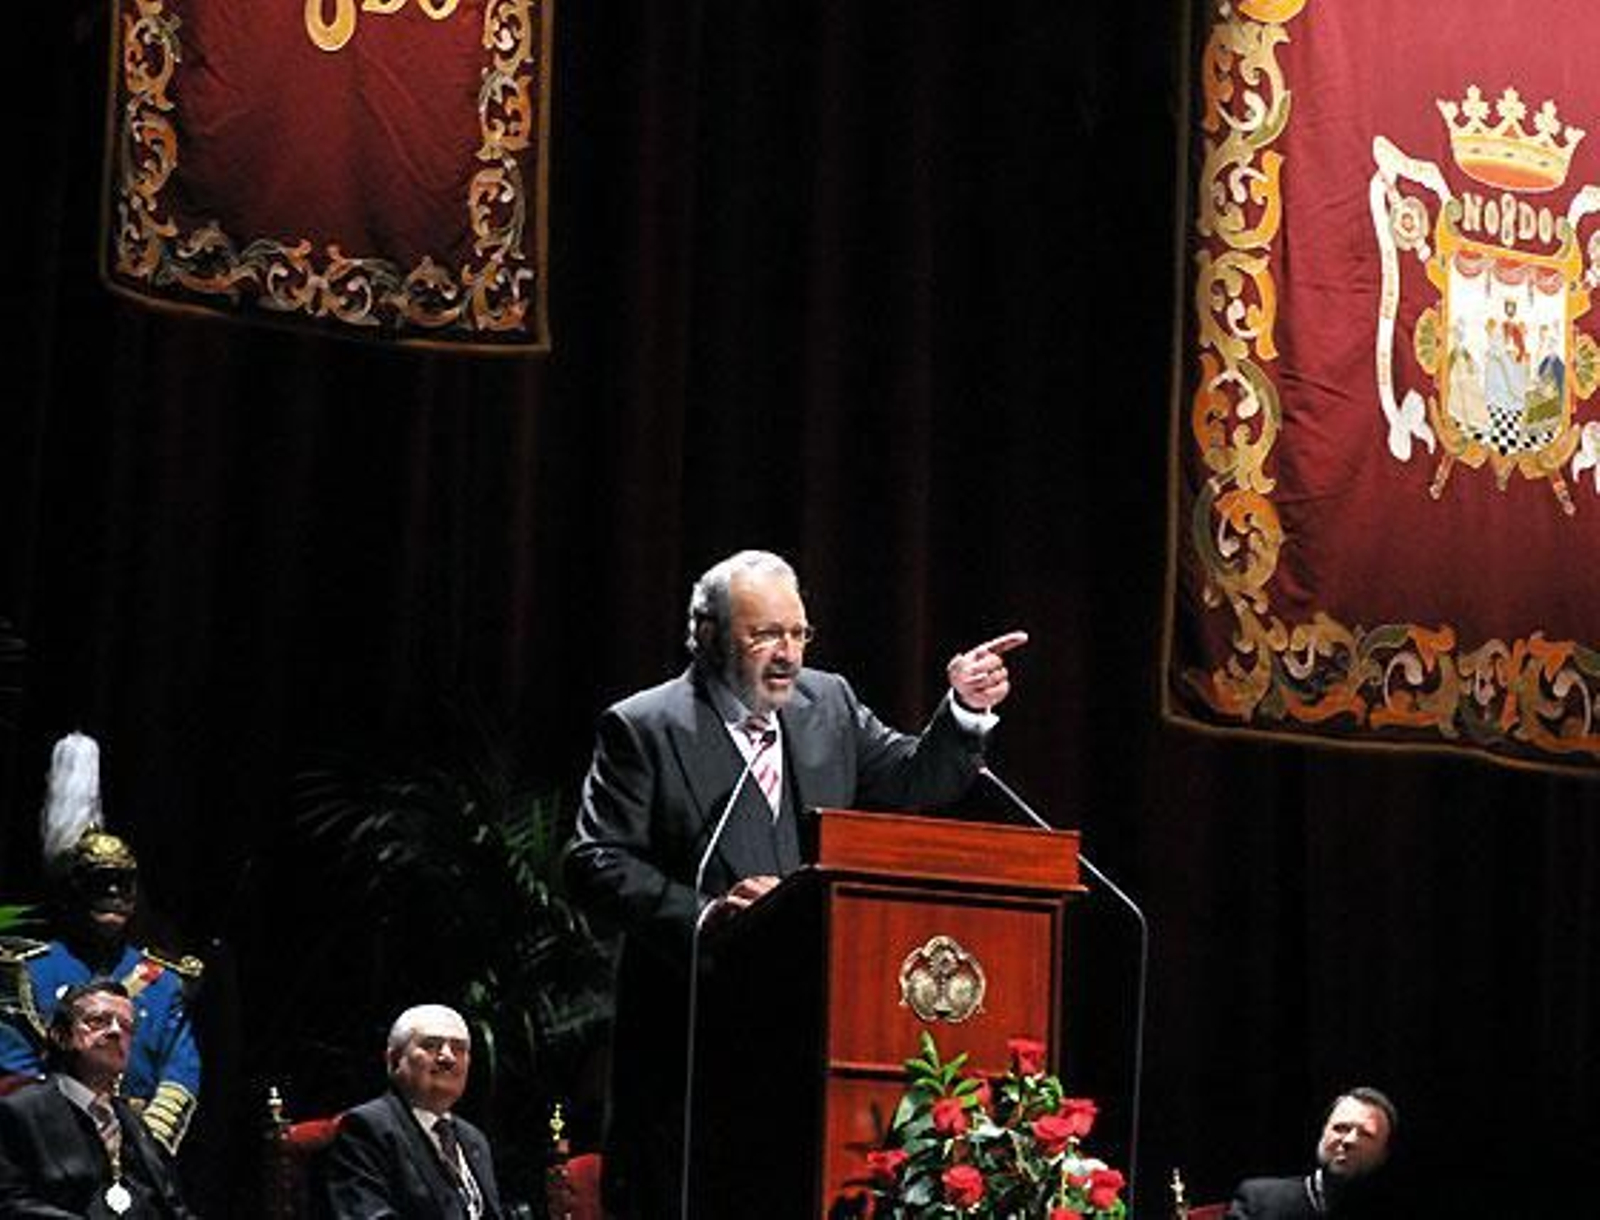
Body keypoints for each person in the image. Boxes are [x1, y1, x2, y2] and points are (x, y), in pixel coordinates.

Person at [565, 548, 1027, 1215]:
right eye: (764, 635)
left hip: (809, 1038)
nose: (787, 655)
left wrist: (962, 711)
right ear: (708, 635)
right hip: (692, 1043)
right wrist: (707, 914)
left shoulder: (826, 703)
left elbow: (910, 780)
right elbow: (595, 860)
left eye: (798, 633)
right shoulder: (646, 727)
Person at [0, 733, 203, 1155]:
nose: (112, 893)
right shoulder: (27, 973)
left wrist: (142, 1147)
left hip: (141, 1149)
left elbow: (179, 1074)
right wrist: (69, 1140)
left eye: (122, 883)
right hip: (49, 1151)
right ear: (72, 892)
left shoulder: (164, 981)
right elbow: (15, 1071)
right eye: (99, 882)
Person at [0, 978, 197, 1217]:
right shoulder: (18, 1112)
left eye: (126, 1026)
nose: (116, 1031)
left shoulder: (134, 1123)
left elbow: (171, 1207)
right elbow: (10, 1204)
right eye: (98, 1021)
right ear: (61, 1036)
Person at [322, 1003, 504, 1219]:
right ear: (394, 1061)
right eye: (431, 1045)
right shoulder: (366, 1128)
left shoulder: (473, 1138)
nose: (448, 1057)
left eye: (459, 1048)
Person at [1227, 1087, 1400, 1218]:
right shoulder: (1260, 1200)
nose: (1349, 1140)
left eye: (1366, 1134)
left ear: (1383, 1154)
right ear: (1322, 1134)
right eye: (1341, 1128)